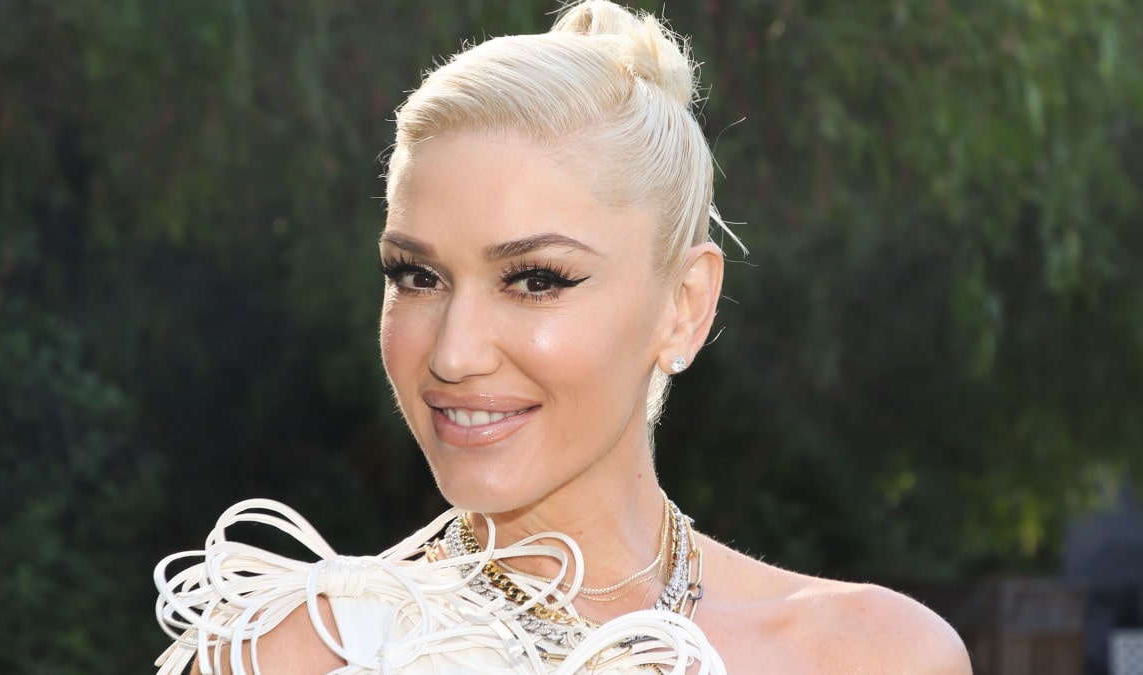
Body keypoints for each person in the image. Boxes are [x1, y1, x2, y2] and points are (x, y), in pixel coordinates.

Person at [154, 1, 973, 673]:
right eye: (417, 275)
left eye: (535, 279)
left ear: (684, 305)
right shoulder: (281, 656)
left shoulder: (879, 656)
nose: (453, 353)